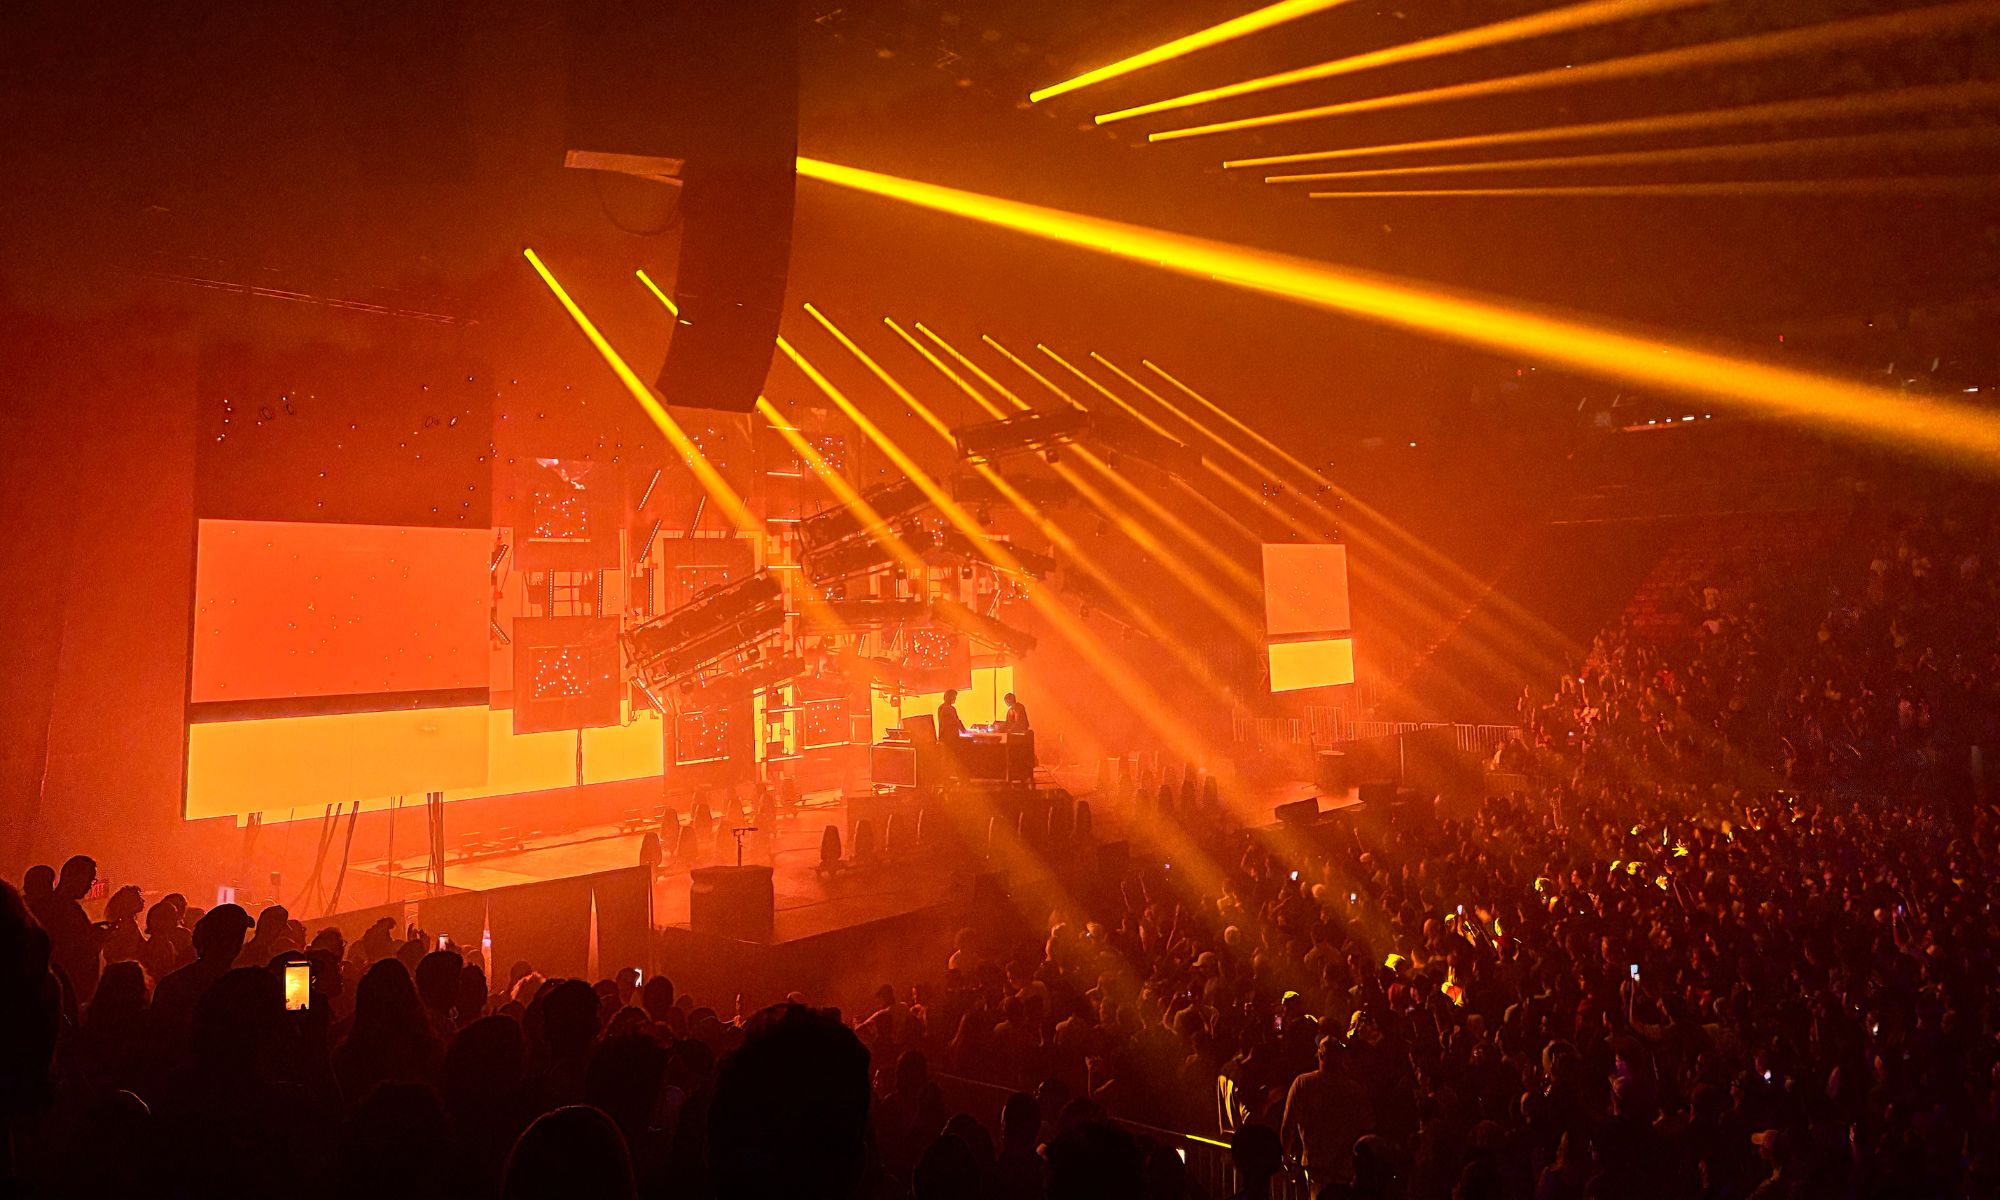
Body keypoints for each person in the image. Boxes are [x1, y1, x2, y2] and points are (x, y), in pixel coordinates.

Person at [1280, 1035, 1373, 1190]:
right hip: (1345, 1171)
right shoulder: (1354, 1088)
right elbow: (1367, 1128)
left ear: (1320, 1054)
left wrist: (1286, 1158)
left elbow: (1288, 1124)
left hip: (1315, 1169)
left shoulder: (1302, 1083)